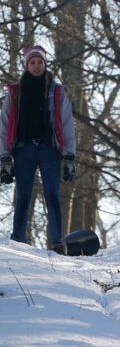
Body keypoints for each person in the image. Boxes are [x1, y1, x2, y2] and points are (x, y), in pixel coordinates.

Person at [0, 45, 76, 253]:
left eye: (39, 62)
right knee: (23, 196)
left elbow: (67, 123)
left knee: (52, 194)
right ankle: (18, 241)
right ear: (26, 65)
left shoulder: (57, 91)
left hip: (49, 149)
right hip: (23, 150)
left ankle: (58, 243)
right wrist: (4, 157)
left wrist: (69, 155)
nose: (36, 66)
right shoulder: (15, 92)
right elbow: (4, 124)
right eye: (32, 63)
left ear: (45, 64)